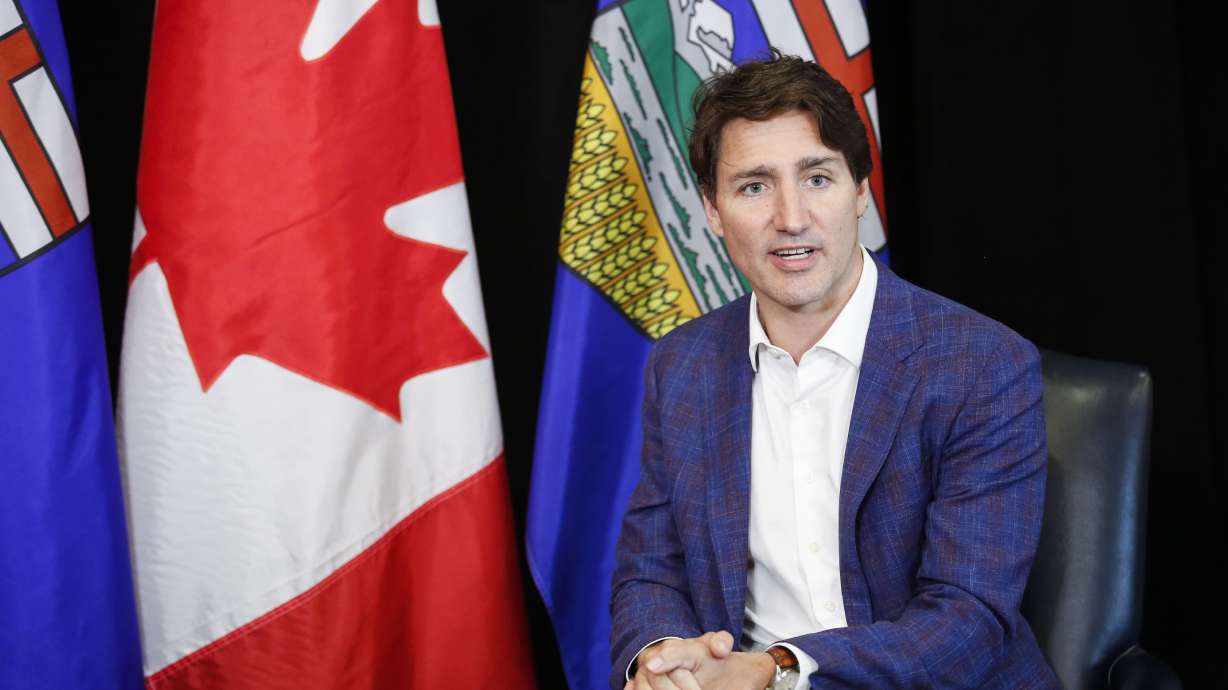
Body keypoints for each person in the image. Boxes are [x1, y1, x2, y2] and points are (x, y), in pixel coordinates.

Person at [610, 53, 1059, 690]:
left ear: (859, 190)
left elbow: (970, 617)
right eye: (754, 186)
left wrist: (776, 671)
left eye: (817, 178)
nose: (791, 218)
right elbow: (652, 567)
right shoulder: (682, 366)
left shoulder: (983, 365)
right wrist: (661, 661)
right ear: (712, 209)